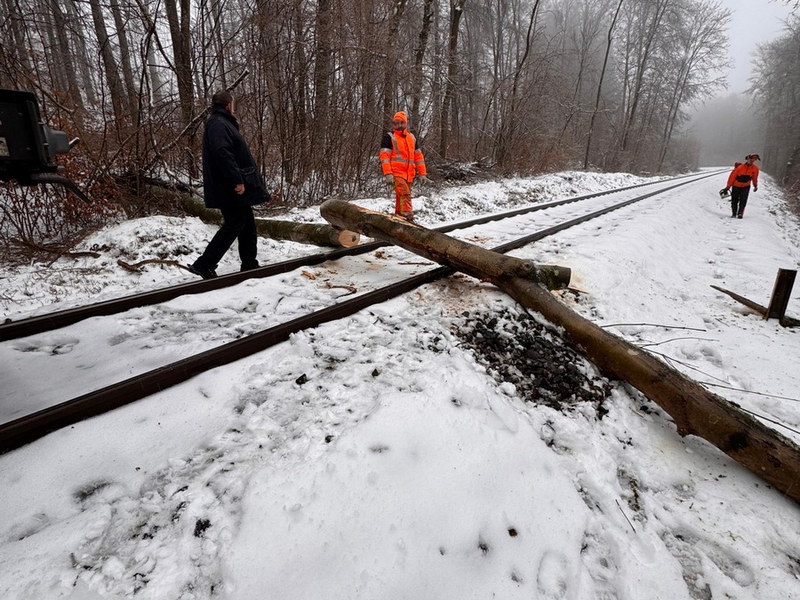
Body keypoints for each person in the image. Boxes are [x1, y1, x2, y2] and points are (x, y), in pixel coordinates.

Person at [189, 90, 271, 279]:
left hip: (229, 185)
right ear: (228, 105)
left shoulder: (222, 123)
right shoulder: (219, 124)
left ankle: (250, 264)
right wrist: (237, 180)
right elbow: (223, 153)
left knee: (247, 224)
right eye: (233, 105)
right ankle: (204, 264)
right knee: (234, 224)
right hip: (229, 187)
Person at [379, 111, 428, 222]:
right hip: (395, 174)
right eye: (396, 123)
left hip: (408, 175)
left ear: (406, 123)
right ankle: (408, 218)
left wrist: (422, 173)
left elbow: (418, 157)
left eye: (401, 123)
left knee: (400, 197)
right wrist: (388, 174)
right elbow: (384, 157)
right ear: (393, 124)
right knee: (405, 194)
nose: (399, 125)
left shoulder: (412, 138)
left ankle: (399, 218)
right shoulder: (389, 137)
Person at [720, 153, 759, 219]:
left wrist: (755, 185)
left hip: (746, 186)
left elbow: (754, 178)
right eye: (751, 160)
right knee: (734, 200)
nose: (751, 161)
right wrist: (728, 187)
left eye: (753, 161)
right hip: (736, 186)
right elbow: (732, 177)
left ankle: (740, 213)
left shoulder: (755, 169)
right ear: (747, 159)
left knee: (743, 200)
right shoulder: (739, 168)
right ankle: (734, 213)